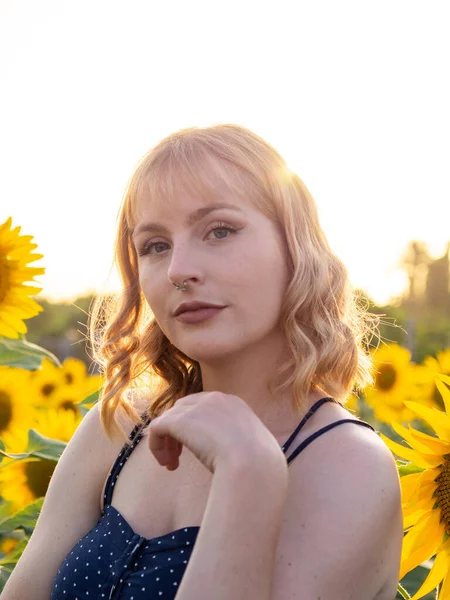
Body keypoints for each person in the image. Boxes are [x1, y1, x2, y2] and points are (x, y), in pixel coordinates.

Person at [3, 123, 403, 600]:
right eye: (155, 245)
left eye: (219, 231)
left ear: (295, 248)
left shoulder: (349, 465)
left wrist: (248, 472)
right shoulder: (119, 427)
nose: (178, 270)